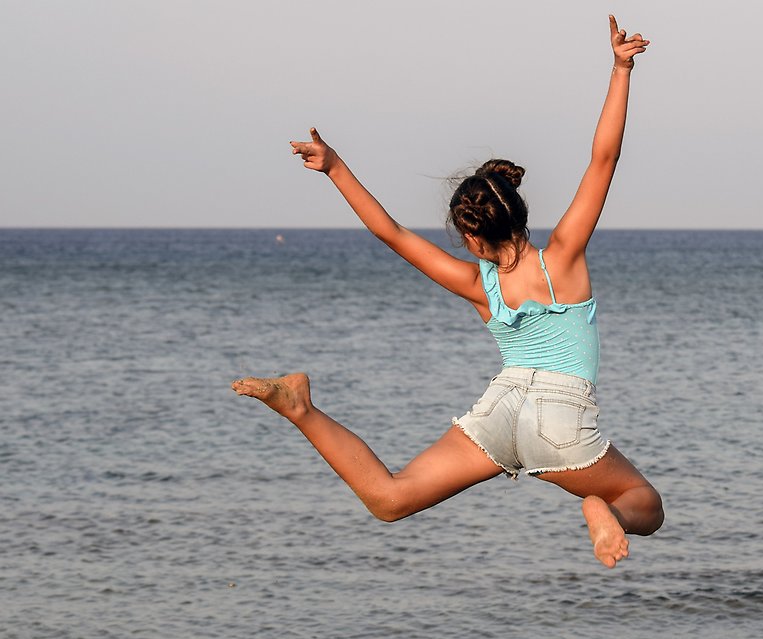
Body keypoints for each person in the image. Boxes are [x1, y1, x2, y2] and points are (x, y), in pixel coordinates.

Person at [233, 15, 663, 567]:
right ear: (518, 212)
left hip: (501, 410)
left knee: (390, 498)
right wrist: (621, 68)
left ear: (470, 236)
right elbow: (604, 158)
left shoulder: (477, 284)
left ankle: (300, 409)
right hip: (560, 418)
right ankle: (607, 514)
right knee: (643, 502)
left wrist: (335, 167)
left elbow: (390, 232)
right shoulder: (565, 258)